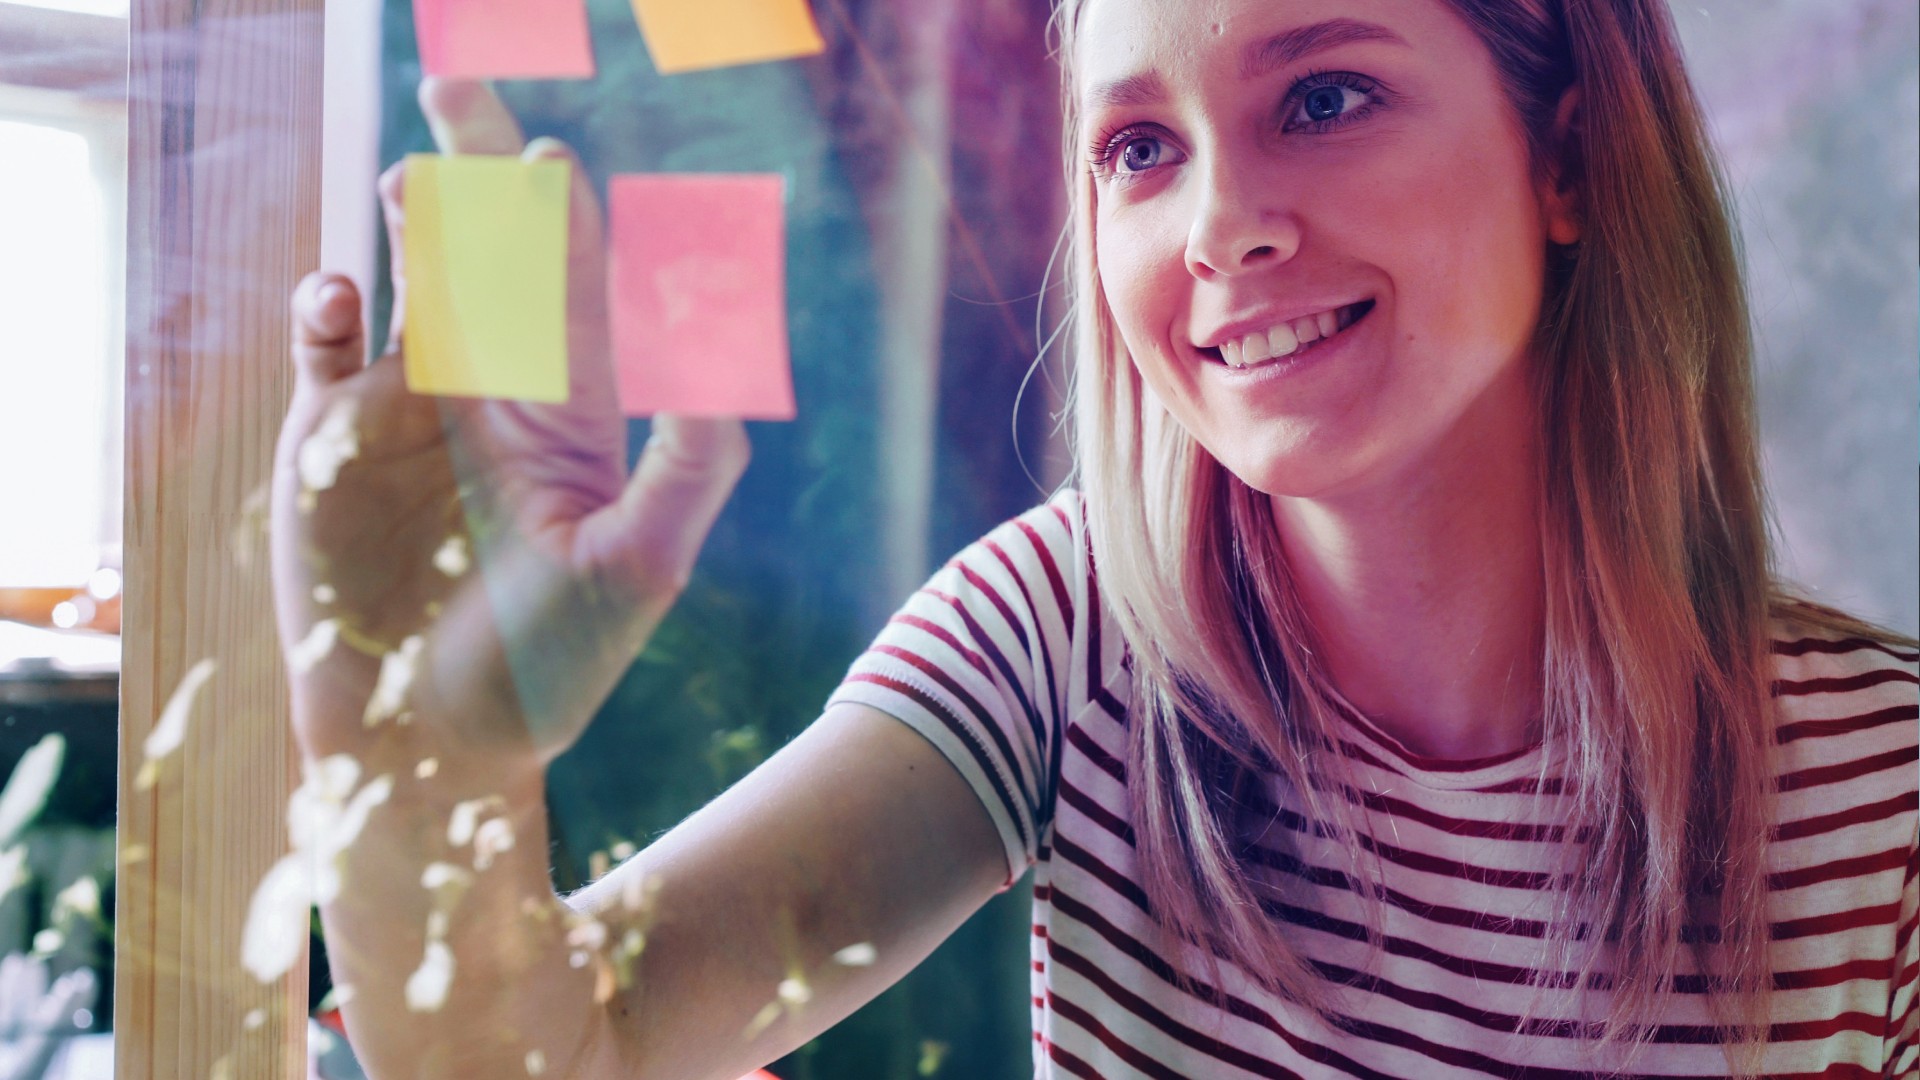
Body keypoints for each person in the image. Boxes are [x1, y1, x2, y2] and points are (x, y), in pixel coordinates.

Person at [272, 0, 1919, 1076]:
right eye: (1140, 148)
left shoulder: (1888, 787)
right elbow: (544, 1044)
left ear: (1565, 154)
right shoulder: (1066, 637)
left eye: (1327, 95)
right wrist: (415, 738)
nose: (1220, 227)